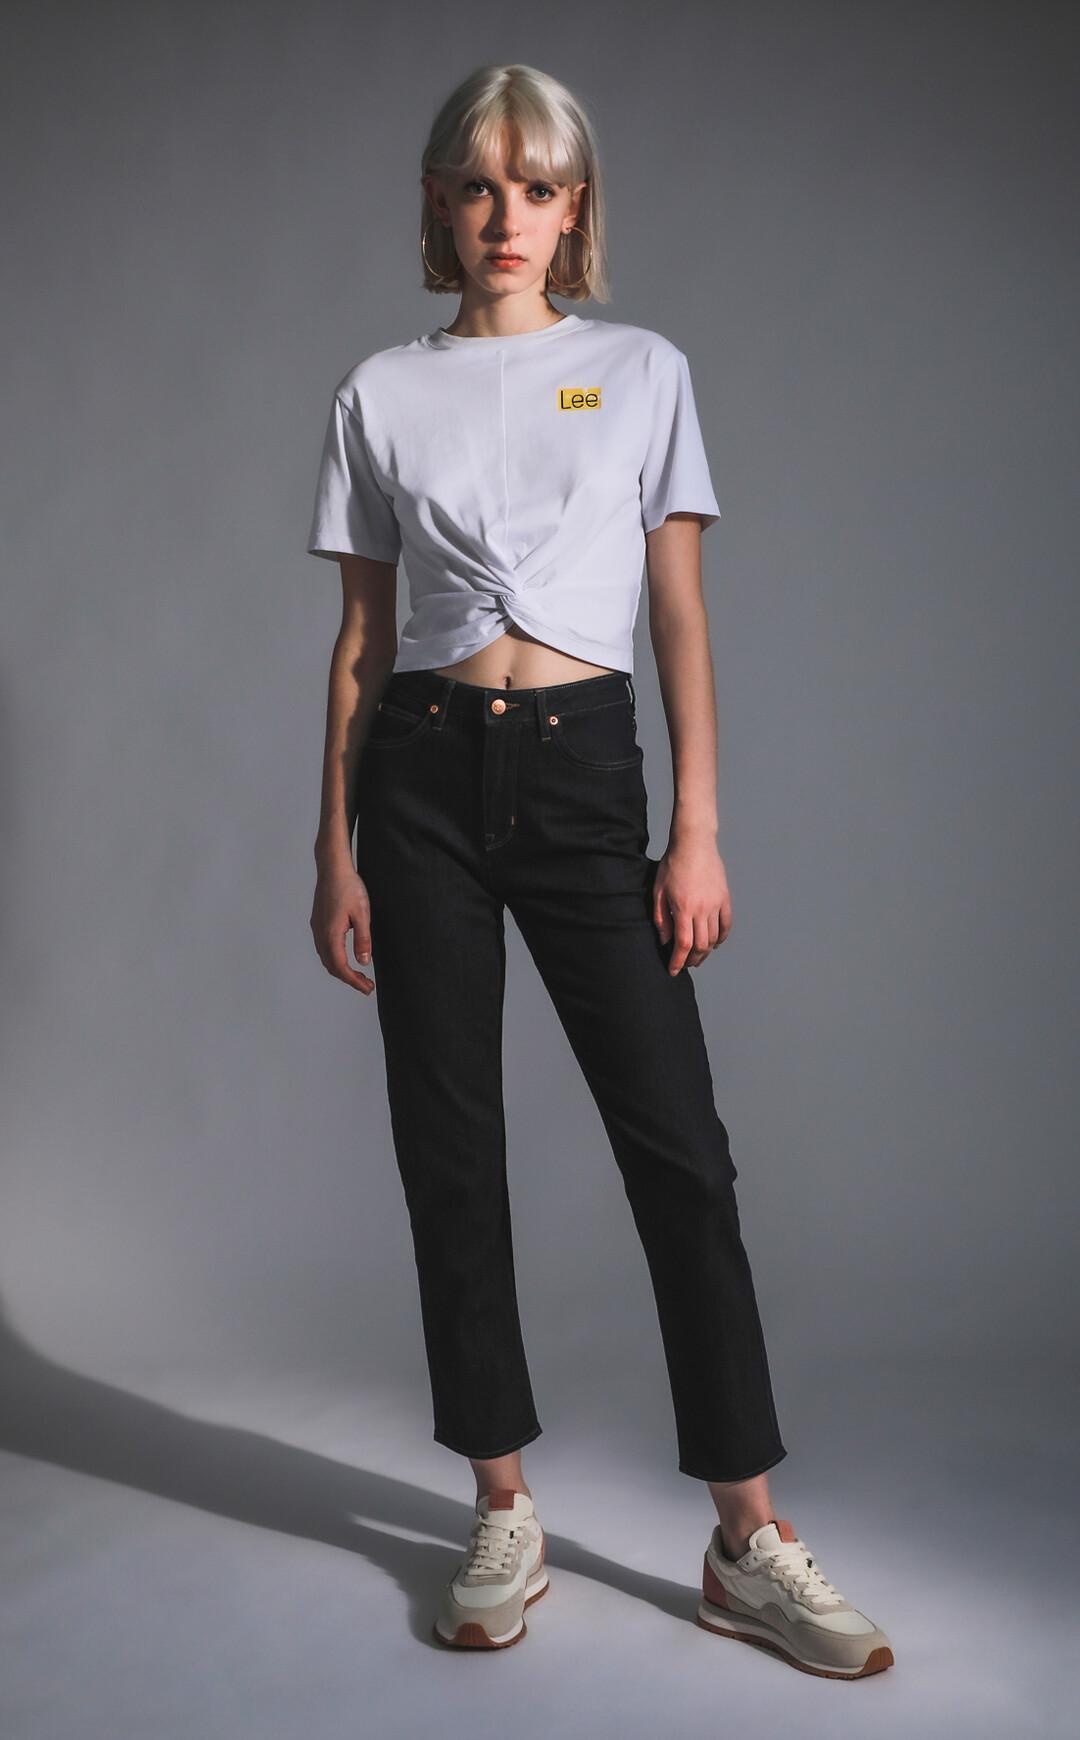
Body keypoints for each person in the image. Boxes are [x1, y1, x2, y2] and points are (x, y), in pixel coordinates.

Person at [305, 63, 893, 1679]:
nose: (508, 216)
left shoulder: (641, 371)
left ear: (575, 208)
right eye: (479, 185)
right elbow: (359, 644)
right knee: (451, 1150)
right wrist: (332, 846)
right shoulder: (380, 390)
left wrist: (697, 828)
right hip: (420, 777)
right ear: (440, 203)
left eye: (538, 187)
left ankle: (746, 1539)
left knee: (680, 1155)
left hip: (583, 775)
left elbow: (679, 612)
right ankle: (501, 1506)